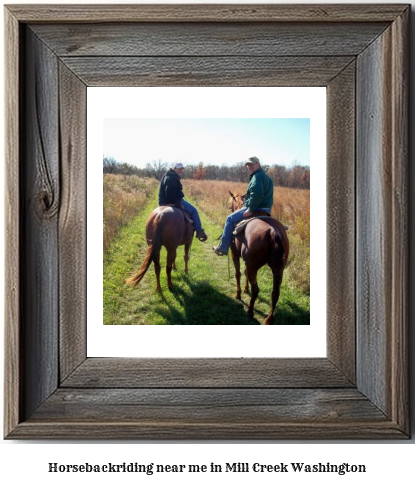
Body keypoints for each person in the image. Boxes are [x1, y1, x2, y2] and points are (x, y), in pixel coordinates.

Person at [212, 156, 273, 255]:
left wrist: (250, 209)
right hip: (266, 210)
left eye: (252, 164)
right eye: (248, 165)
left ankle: (222, 248)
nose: (249, 167)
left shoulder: (257, 177)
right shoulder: (267, 177)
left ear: (258, 164)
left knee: (230, 219)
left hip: (256, 207)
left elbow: (257, 194)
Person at [158, 162, 208, 241]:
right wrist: (177, 203)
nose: (180, 171)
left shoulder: (167, 175)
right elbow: (169, 193)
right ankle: (199, 231)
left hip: (163, 202)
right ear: (174, 168)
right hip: (172, 201)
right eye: (179, 169)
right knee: (194, 211)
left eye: (181, 169)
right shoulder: (173, 178)